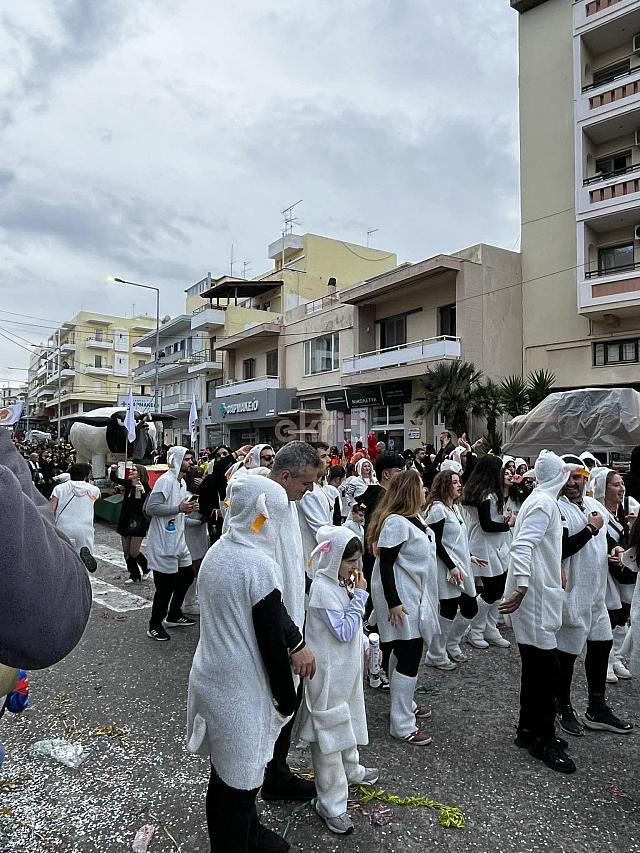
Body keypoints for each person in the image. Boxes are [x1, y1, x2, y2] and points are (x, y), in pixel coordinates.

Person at [187, 475, 297, 853]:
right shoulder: (258, 565)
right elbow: (270, 642)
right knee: (239, 785)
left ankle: (250, 834)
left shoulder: (219, 552)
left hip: (211, 677)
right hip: (241, 691)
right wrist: (287, 698)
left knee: (224, 774)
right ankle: (235, 843)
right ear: (267, 515)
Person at [500, 451, 577, 774]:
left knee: (536, 667)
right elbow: (522, 545)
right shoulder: (544, 503)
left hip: (539, 592)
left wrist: (555, 565)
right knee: (547, 670)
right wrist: (520, 585)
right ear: (559, 476)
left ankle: (528, 730)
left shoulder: (540, 500)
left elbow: (540, 545)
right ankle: (542, 738)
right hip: (534, 598)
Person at [301, 526, 378, 835]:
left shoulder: (339, 582)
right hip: (328, 676)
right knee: (329, 736)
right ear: (334, 560)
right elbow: (344, 630)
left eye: (358, 561)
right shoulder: (321, 589)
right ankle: (331, 803)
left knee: (349, 720)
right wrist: (360, 597)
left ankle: (352, 770)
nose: (355, 568)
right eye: (350, 562)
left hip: (344, 672)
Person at [554, 458, 632, 737]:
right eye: (570, 477)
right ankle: (561, 707)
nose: (575, 483)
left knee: (601, 647)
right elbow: (560, 550)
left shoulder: (595, 507)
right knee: (567, 655)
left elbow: (609, 539)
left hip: (597, 595)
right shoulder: (556, 508)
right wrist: (589, 529)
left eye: (580, 477)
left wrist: (616, 551)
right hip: (572, 595)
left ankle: (596, 708)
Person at [262, 441, 321, 802]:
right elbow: (263, 589)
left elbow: (290, 569)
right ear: (285, 476)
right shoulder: (263, 513)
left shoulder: (286, 505)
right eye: (306, 483)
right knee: (274, 708)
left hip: (290, 619)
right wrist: (294, 641)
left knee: (288, 706)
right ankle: (263, 781)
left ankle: (277, 773)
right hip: (275, 632)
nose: (310, 489)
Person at [368, 469, 438, 745]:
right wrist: (394, 602)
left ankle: (405, 704)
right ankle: (401, 723)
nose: (426, 490)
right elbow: (385, 564)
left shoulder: (415, 519)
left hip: (411, 594)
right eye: (421, 486)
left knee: (405, 651)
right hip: (400, 597)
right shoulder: (396, 522)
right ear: (411, 491)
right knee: (409, 653)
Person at [425, 470, 483, 670]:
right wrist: (451, 566)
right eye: (455, 482)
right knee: (448, 610)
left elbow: (457, 541)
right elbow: (436, 543)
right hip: (446, 568)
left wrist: (469, 557)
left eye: (460, 482)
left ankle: (451, 643)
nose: (459, 485)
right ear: (444, 485)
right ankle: (436, 653)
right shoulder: (437, 510)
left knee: (470, 608)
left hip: (461, 565)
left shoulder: (455, 508)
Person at [145, 447, 198, 641]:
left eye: (191, 459)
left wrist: (188, 510)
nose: (191, 463)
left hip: (178, 540)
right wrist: (179, 508)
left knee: (186, 576)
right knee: (165, 587)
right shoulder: (165, 481)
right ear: (175, 460)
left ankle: (174, 614)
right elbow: (152, 508)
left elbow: (177, 511)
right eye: (187, 459)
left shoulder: (182, 482)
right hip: (163, 543)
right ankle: (155, 624)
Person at [589, 467, 637, 683]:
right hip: (606, 570)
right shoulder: (597, 511)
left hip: (625, 570)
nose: (621, 488)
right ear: (603, 488)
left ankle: (616, 656)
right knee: (609, 615)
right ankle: (606, 660)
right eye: (616, 485)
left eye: (622, 484)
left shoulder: (629, 506)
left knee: (624, 612)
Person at [462, 456, 515, 650]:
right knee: (491, 591)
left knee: (498, 590)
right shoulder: (485, 494)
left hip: (495, 545)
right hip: (484, 545)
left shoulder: (486, 492)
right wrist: (507, 524)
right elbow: (486, 525)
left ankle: (490, 628)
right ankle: (475, 629)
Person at [50, 463, 101, 571]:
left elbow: (51, 509)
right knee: (82, 558)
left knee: (64, 556)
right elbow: (96, 498)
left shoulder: (59, 489)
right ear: (87, 475)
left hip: (63, 527)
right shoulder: (94, 490)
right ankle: (81, 572)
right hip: (84, 528)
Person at [110, 464, 152, 583]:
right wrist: (113, 471)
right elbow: (114, 479)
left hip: (138, 521)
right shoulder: (128, 484)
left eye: (134, 470)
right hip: (125, 519)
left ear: (140, 473)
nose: (131, 471)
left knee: (134, 551)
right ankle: (134, 575)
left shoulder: (145, 487)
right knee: (127, 552)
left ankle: (146, 568)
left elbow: (141, 506)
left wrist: (141, 492)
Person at [182, 467, 210, 616]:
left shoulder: (200, 494)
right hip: (189, 537)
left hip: (200, 536)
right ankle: (188, 602)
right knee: (191, 570)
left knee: (197, 568)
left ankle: (191, 600)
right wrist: (198, 522)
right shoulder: (186, 496)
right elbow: (182, 518)